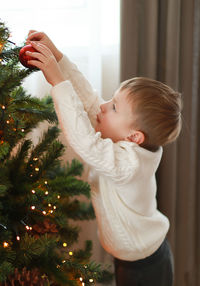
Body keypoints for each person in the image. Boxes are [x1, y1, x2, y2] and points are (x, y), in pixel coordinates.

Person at [26, 31, 182, 286]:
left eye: (114, 107)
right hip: (135, 257)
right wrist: (58, 57)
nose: (103, 106)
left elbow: (84, 141)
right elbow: (89, 100)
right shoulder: (124, 141)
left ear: (134, 137)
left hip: (144, 266)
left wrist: (57, 81)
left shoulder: (128, 164)